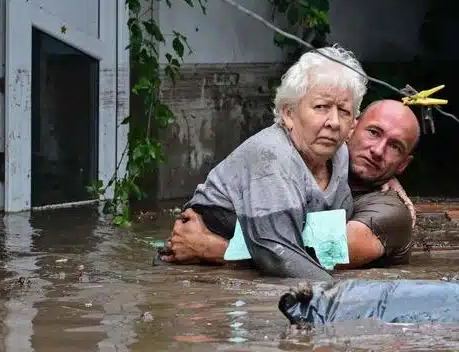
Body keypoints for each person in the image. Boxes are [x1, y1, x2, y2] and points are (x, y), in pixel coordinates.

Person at [176, 45, 368, 280]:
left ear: (353, 126)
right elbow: (278, 254)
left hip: (237, 259)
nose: (334, 122)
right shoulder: (272, 154)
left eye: (344, 111)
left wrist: (392, 182)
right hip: (199, 275)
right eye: (321, 107)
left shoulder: (340, 155)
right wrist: (343, 297)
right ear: (289, 113)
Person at [162, 98, 421, 269]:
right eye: (373, 133)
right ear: (351, 128)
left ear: (403, 164)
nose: (377, 150)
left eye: (394, 147)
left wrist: (215, 249)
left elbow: (325, 255)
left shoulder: (391, 211)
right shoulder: (308, 161)